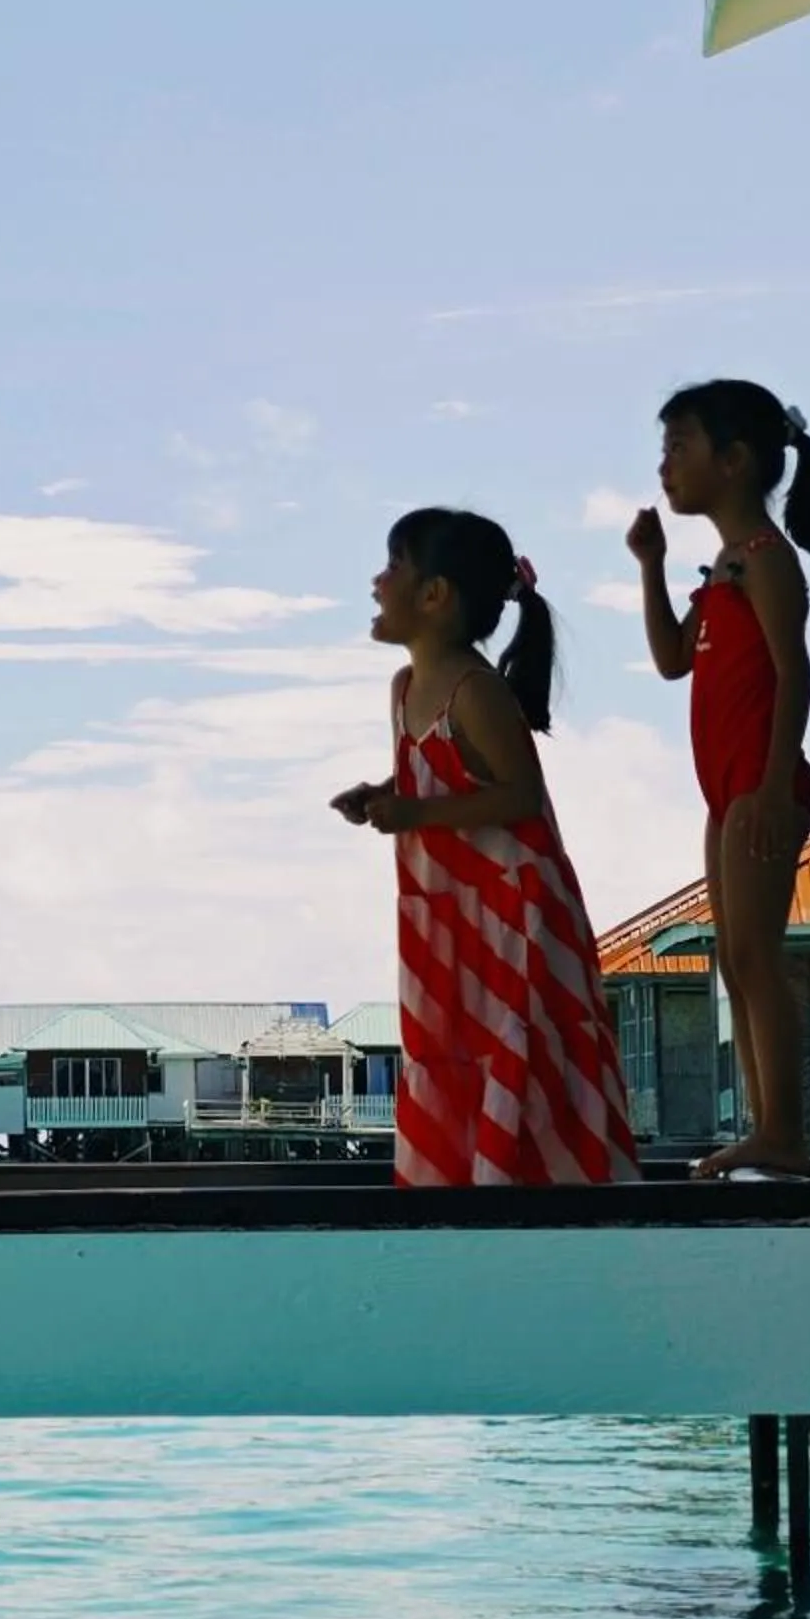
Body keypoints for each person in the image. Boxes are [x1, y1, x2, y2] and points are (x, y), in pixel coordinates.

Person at [331, 507, 638, 1188]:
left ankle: (534, 1189)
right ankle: (458, 1183)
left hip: (511, 914)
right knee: (448, 1049)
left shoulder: (477, 691)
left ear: (435, 595)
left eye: (394, 568)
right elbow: (445, 773)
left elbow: (520, 796)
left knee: (520, 1047)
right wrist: (386, 792)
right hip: (445, 913)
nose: (378, 584)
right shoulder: (406, 689)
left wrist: (414, 809)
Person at [626, 381, 810, 1179]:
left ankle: (781, 1135)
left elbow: (796, 675)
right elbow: (673, 660)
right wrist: (651, 566)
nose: (665, 465)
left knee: (756, 956)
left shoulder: (766, 562)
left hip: (759, 784)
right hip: (729, 791)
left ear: (735, 460)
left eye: (679, 446)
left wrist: (776, 785)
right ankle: (766, 1128)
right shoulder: (723, 566)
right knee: (735, 960)